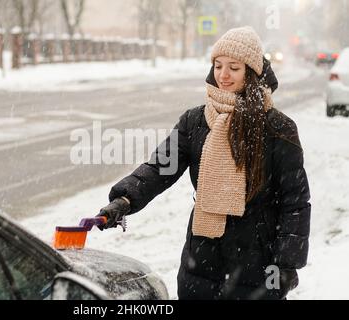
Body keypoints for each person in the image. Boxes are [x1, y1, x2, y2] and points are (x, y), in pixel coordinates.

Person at [97, 26, 311, 300]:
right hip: (203, 252)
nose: (223, 75)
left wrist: (287, 263)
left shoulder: (277, 128)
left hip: (259, 257)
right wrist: (124, 200)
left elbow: (295, 201)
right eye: (218, 65)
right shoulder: (195, 121)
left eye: (234, 67)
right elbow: (161, 167)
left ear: (251, 72)